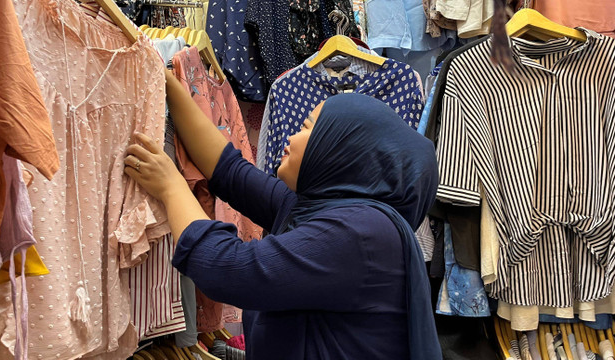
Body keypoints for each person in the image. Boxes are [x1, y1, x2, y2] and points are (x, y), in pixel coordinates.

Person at [124, 70, 442, 359]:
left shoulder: (361, 233)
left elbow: (225, 268)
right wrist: (166, 81)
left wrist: (170, 186)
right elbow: (228, 171)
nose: (289, 137)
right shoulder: (316, 208)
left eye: (306, 128)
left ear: (338, 148)